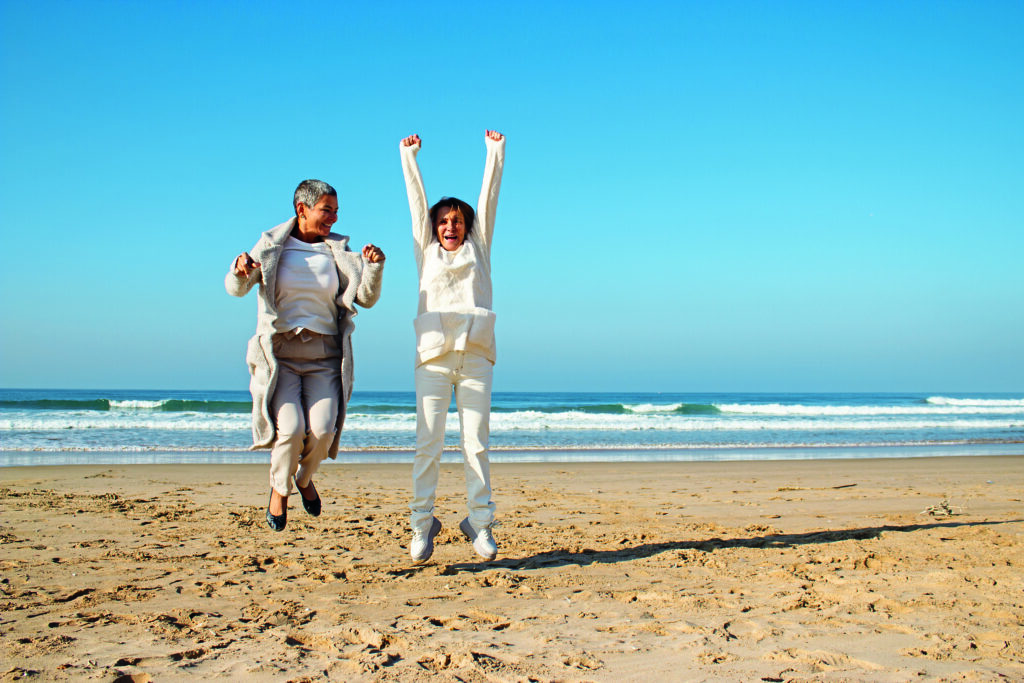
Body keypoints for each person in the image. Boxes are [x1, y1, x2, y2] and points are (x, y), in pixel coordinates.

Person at [225, 179, 385, 531]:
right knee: (292, 429)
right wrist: (239, 272)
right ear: (302, 209)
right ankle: (279, 491)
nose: (333, 217)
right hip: (280, 355)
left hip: (325, 355)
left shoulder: (338, 252)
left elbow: (366, 299)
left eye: (336, 211)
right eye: (326, 210)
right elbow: (236, 287)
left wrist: (373, 268)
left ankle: (303, 479)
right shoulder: (271, 246)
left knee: (324, 430)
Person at [400, 130, 505, 562]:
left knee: (475, 445)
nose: (450, 226)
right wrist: (409, 158)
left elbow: (489, 199)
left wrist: (494, 152)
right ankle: (422, 525)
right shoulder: (424, 251)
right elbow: (415, 201)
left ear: (467, 226)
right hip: (434, 361)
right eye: (443, 220)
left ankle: (479, 524)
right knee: (429, 444)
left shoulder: (479, 248)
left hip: (477, 358)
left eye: (457, 220)